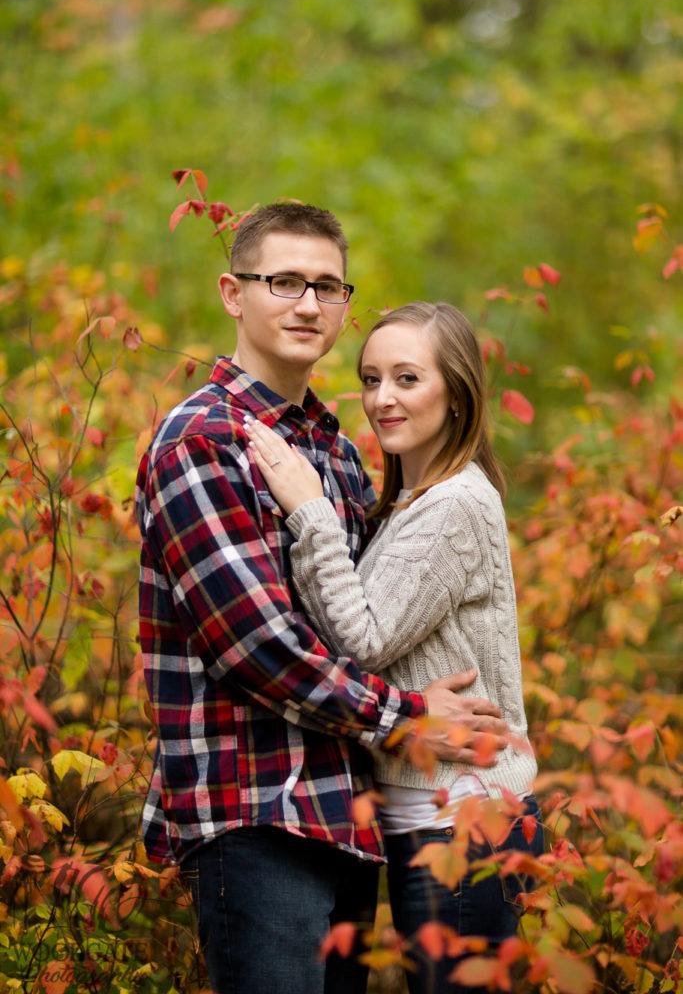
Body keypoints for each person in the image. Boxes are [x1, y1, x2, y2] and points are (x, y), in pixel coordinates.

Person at [135, 208, 510, 994]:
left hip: (348, 812)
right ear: (233, 294)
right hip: (257, 810)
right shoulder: (203, 441)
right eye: (284, 282)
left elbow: (362, 626)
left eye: (327, 286)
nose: (308, 304)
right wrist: (409, 719)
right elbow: (257, 646)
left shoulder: (335, 450)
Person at [244, 300, 543, 994]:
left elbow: (363, 641)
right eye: (370, 378)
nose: (382, 398)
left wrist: (308, 509)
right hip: (424, 821)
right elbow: (349, 634)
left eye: (407, 379)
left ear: (458, 392)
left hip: (464, 823)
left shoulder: (454, 506)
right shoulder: (412, 503)